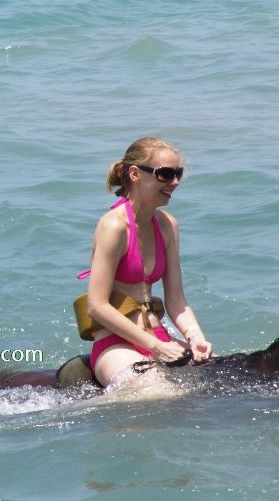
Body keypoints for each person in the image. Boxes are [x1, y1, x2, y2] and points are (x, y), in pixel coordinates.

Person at [86, 137, 212, 386]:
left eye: (178, 173)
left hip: (158, 336)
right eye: (165, 174)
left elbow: (176, 301)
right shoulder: (113, 226)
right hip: (115, 343)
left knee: (221, 379)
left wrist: (194, 337)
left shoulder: (167, 225)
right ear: (135, 174)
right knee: (155, 388)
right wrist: (155, 347)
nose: (174, 182)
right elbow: (96, 306)